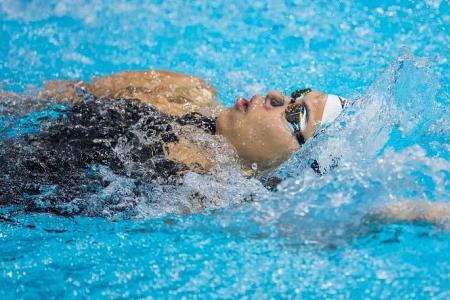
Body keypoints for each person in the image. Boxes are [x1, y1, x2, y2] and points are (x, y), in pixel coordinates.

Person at [0, 70, 448, 225]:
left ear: (295, 164)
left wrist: (417, 212)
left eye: (294, 116)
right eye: (295, 94)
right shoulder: (182, 92)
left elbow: (331, 227)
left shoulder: (210, 198)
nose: (273, 96)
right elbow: (34, 100)